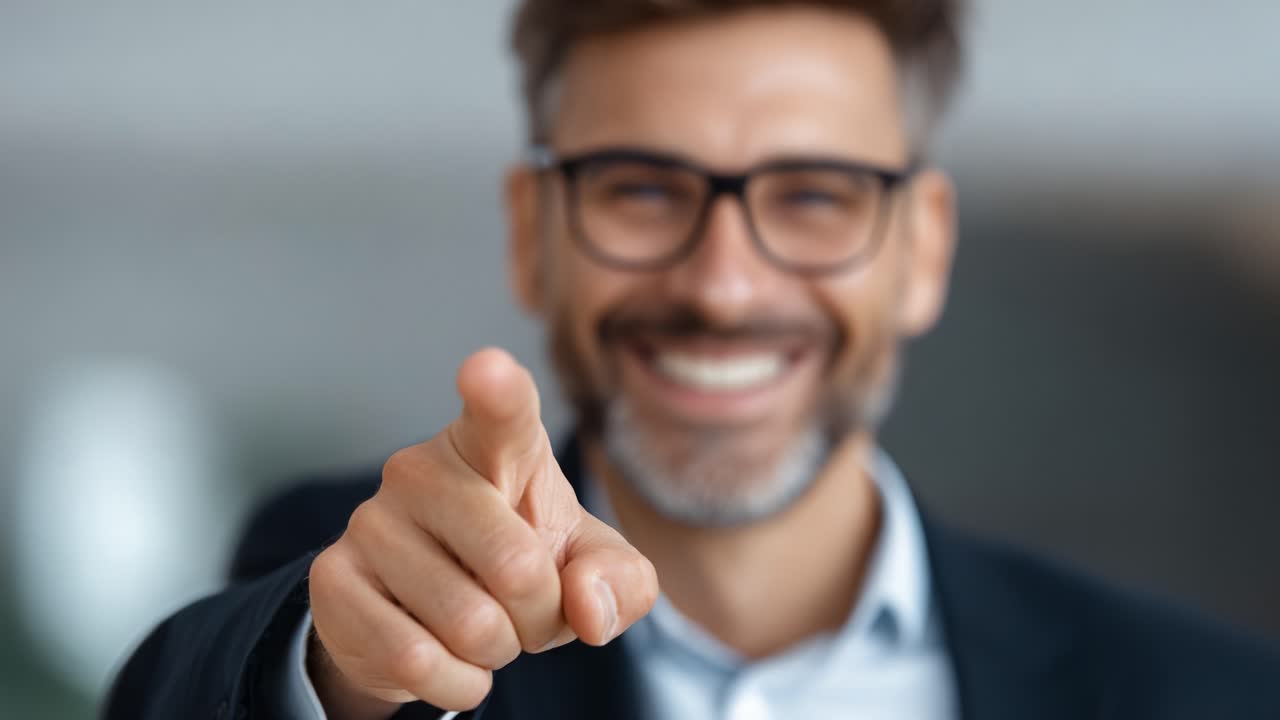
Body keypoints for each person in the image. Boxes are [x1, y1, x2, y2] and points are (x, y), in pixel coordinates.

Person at [103, 1, 1280, 719]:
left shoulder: (1208, 698)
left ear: (919, 250)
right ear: (532, 233)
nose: (722, 284)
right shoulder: (351, 608)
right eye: (642, 189)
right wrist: (346, 672)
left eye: (814, 195)